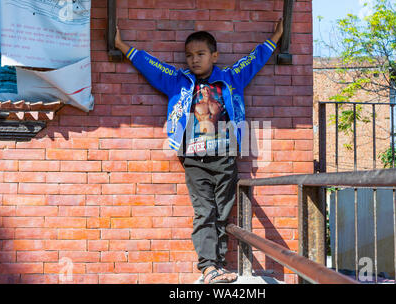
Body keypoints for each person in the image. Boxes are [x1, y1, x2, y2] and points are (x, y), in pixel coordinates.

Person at [115, 19, 283, 284]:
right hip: (194, 159)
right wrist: (123, 46)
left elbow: (254, 60)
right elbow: (151, 66)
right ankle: (207, 267)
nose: (194, 60)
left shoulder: (230, 78)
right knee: (205, 212)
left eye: (200, 54)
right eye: (189, 55)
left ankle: (217, 265)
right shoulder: (179, 82)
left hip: (225, 158)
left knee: (223, 212)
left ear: (214, 55)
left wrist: (275, 37)